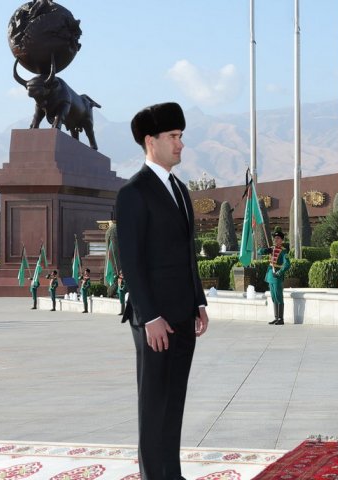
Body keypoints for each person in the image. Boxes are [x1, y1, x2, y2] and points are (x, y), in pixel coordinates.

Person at [116, 101, 209, 480]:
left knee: (174, 403)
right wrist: (149, 316)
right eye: (174, 136)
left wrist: (198, 301)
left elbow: (188, 254)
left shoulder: (181, 191)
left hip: (184, 315)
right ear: (150, 141)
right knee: (154, 405)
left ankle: (173, 474)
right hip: (154, 320)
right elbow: (131, 262)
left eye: (181, 136)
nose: (181, 144)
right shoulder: (133, 193)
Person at [258, 228, 290, 325]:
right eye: (275, 238)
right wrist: (266, 250)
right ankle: (276, 318)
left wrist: (280, 272)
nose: (275, 240)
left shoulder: (284, 251)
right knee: (273, 297)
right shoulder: (271, 249)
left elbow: (287, 264)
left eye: (278, 238)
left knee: (278, 296)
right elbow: (259, 251)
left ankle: (281, 319)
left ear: (282, 240)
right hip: (270, 275)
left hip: (277, 276)